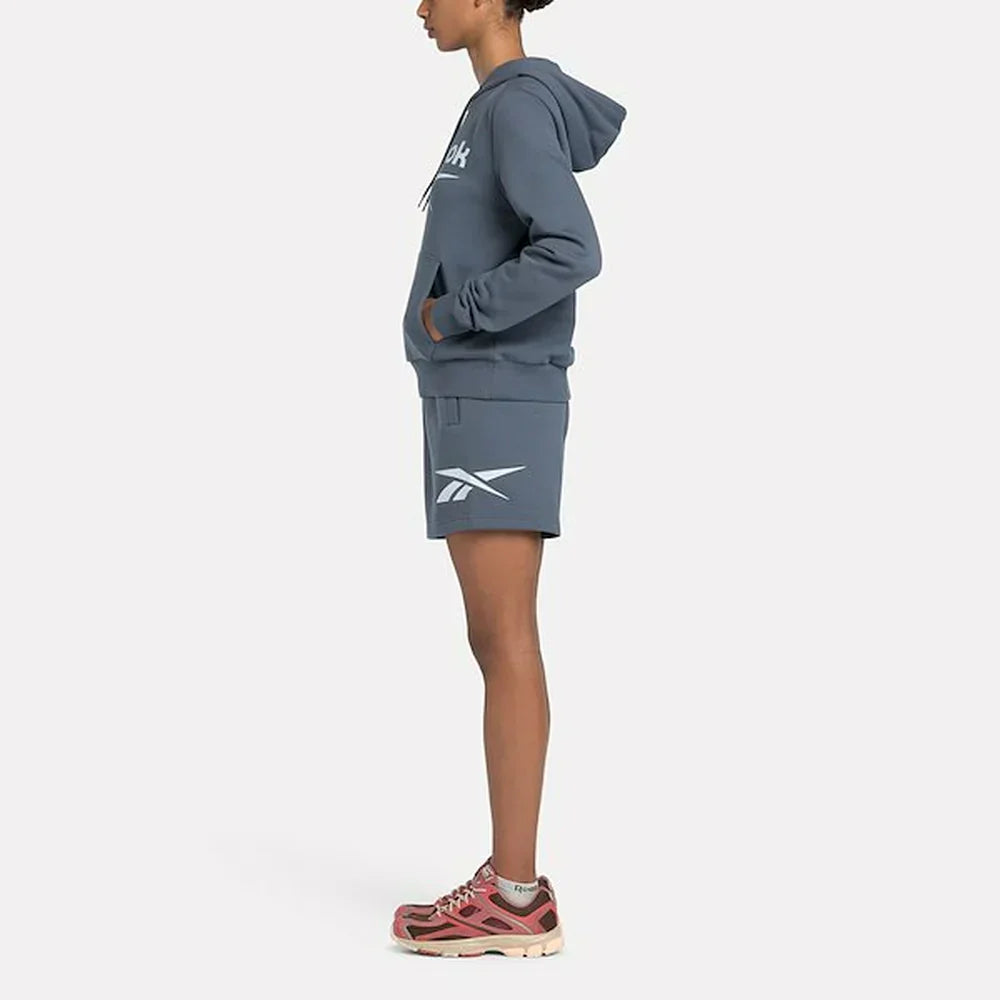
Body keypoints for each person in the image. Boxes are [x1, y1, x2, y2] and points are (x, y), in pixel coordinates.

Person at [393, 0, 626, 958]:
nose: (419, 6)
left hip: (497, 398)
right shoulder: (492, 103)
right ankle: (513, 887)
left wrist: (452, 316)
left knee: (505, 639)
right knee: (494, 637)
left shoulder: (516, 103)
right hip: (475, 399)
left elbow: (571, 248)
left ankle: (517, 897)